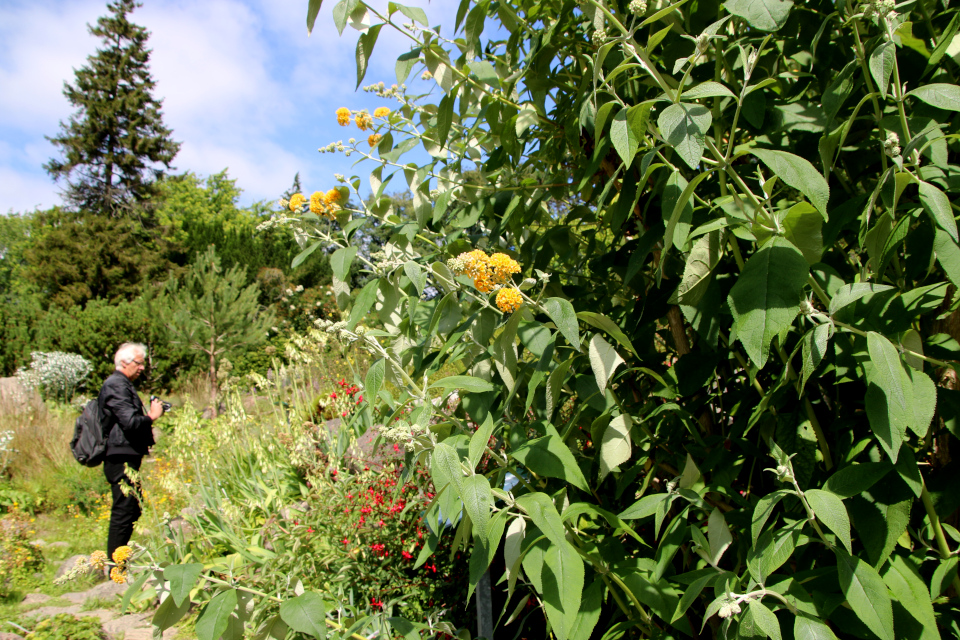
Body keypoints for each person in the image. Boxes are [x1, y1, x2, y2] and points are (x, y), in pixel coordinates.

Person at [99, 342, 164, 559]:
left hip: (124, 454)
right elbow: (129, 422)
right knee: (125, 508)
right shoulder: (116, 384)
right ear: (125, 362)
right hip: (119, 457)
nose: (142, 368)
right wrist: (152, 415)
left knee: (133, 506)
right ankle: (115, 565)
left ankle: (119, 559)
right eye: (139, 363)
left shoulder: (121, 384)